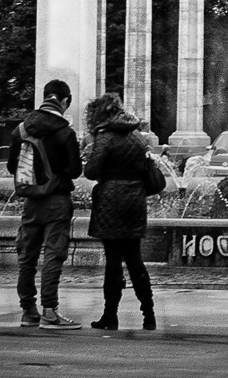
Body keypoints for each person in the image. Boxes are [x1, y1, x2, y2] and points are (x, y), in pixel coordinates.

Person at [10, 79, 81, 329]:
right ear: (63, 101)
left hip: (30, 200)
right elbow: (74, 170)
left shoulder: (21, 130)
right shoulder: (65, 132)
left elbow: (12, 166)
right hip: (57, 199)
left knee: (26, 255)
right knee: (54, 253)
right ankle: (49, 311)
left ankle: (28, 310)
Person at [82, 99, 158, 330]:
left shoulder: (104, 137)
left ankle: (110, 315)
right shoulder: (137, 136)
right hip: (135, 200)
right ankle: (149, 314)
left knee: (113, 260)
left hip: (111, 201)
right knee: (135, 259)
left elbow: (91, 171)